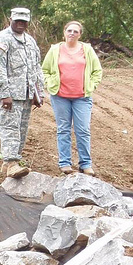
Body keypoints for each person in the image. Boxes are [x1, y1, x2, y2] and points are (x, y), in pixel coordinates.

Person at [0, 7, 44, 178]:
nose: (20, 24)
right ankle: (11, 162)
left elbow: (36, 67)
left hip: (26, 94)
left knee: (21, 130)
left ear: (28, 22)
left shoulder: (30, 41)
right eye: (17, 20)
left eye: (24, 21)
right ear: (10, 19)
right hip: (10, 96)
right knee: (10, 128)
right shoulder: (1, 40)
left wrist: (38, 92)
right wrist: (4, 93)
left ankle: (9, 165)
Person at [42, 20, 102, 176]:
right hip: (60, 96)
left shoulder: (87, 50)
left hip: (81, 97)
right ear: (64, 32)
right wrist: (50, 84)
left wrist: (91, 86)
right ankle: (65, 163)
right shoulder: (55, 50)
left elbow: (97, 71)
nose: (72, 34)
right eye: (69, 30)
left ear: (80, 34)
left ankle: (85, 164)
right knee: (63, 130)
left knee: (83, 130)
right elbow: (45, 70)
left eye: (75, 31)